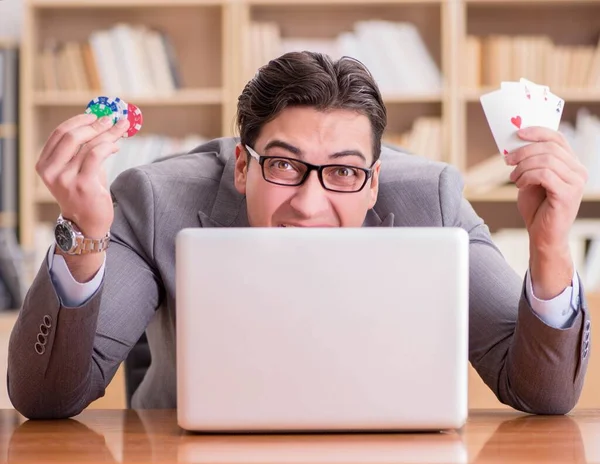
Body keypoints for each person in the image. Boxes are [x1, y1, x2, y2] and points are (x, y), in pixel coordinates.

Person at [8, 52, 591, 419]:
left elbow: (541, 393)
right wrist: (82, 235)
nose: (309, 205)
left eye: (343, 172)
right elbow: (47, 399)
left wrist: (549, 247)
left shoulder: (431, 200)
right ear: (241, 165)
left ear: (374, 183)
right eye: (283, 165)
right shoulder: (157, 200)